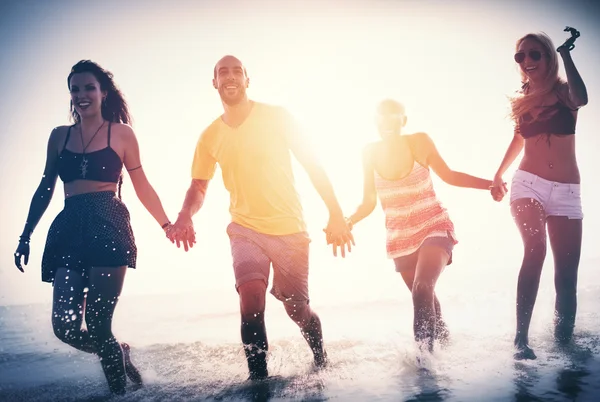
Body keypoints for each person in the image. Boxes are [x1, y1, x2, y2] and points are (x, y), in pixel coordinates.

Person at [167, 55, 353, 380]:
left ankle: (321, 358)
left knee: (297, 310)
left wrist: (336, 214)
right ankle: (259, 384)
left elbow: (313, 165)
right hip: (245, 230)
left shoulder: (277, 117)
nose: (230, 76)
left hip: (290, 229)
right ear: (214, 83)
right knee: (250, 303)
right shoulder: (209, 136)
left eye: (236, 71)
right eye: (222, 72)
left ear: (247, 80)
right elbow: (199, 186)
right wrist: (185, 215)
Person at [13, 60, 173, 395]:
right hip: (69, 226)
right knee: (64, 327)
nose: (81, 95)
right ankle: (119, 354)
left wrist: (166, 224)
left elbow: (141, 184)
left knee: (100, 326)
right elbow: (46, 188)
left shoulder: (122, 134)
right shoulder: (59, 136)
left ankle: (119, 394)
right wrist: (25, 235)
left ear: (102, 92)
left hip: (108, 224)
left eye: (88, 87)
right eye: (75, 89)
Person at [345, 99, 492, 353]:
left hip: (433, 225)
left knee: (422, 287)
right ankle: (446, 347)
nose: (387, 123)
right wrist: (347, 221)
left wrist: (490, 185)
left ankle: (424, 364)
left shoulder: (418, 142)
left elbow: (449, 175)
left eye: (394, 118)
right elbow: (368, 202)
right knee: (424, 297)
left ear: (403, 121)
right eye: (382, 118)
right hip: (399, 237)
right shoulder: (369, 152)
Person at [490, 31, 588, 360]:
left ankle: (565, 345)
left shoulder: (564, 93)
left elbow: (582, 98)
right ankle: (521, 340)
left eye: (534, 54)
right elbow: (518, 139)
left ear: (548, 56)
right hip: (528, 183)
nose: (527, 61)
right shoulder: (524, 97)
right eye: (520, 57)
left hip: (567, 192)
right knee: (535, 248)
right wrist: (499, 173)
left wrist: (567, 55)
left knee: (566, 273)